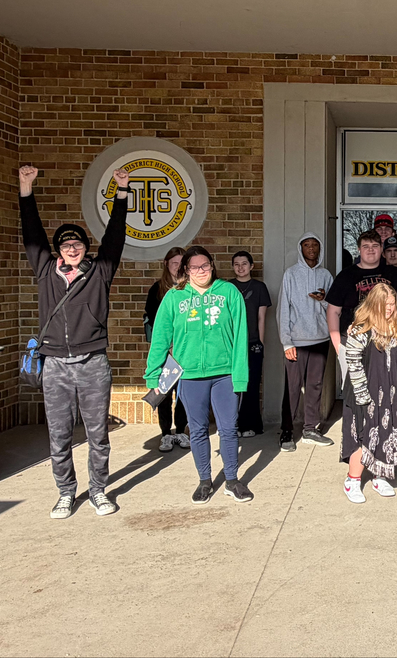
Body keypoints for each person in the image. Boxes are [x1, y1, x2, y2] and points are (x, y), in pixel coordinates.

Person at [19, 164, 129, 519]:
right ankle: (66, 493)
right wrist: (26, 189)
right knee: (59, 437)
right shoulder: (44, 270)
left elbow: (115, 236)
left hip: (93, 363)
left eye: (78, 243)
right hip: (55, 366)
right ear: (58, 249)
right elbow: (31, 233)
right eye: (66, 244)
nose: (72, 248)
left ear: (85, 247)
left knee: (97, 435)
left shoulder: (100, 271)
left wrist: (122, 193)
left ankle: (98, 490)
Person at [145, 246, 253, 505]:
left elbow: (241, 337)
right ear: (186, 270)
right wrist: (153, 377)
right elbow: (160, 338)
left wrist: (240, 376)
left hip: (224, 374)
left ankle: (232, 480)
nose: (201, 270)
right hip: (190, 375)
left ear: (212, 265)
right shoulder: (174, 297)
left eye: (205, 265)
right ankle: (205, 480)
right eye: (194, 267)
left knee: (228, 429)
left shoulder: (229, 293)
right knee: (198, 429)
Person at [342, 283, 397, 503]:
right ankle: (353, 481)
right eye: (384, 304)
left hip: (389, 392)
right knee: (361, 436)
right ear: (373, 304)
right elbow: (352, 361)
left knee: (386, 435)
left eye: (391, 304)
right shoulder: (361, 329)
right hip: (364, 393)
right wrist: (361, 394)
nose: (388, 308)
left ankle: (379, 476)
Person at [277, 233, 335, 452]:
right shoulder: (291, 275)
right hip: (296, 342)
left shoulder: (325, 275)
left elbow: (333, 308)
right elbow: (284, 309)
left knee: (315, 386)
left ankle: (310, 428)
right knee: (292, 388)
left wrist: (323, 300)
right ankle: (287, 431)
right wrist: (286, 342)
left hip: (320, 338)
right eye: (307, 245)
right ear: (300, 248)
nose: (311, 248)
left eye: (315, 245)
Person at [326, 230, 397, 383]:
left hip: (386, 342)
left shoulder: (394, 274)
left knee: (386, 388)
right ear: (359, 249)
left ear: (381, 249)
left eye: (375, 246)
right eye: (366, 246)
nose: (370, 250)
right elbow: (333, 311)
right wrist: (338, 346)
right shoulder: (346, 275)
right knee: (355, 390)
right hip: (351, 343)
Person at [144, 246, 190, 453]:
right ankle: (165, 433)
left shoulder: (191, 289)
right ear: (166, 264)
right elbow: (153, 321)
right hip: (166, 352)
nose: (178, 267)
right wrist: (166, 347)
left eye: (181, 264)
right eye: (174, 263)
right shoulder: (157, 289)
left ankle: (180, 430)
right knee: (164, 391)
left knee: (184, 393)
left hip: (185, 350)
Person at [229, 251, 272, 438]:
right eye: (236, 264)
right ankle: (234, 424)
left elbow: (262, 317)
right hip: (231, 345)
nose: (240, 267)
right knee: (232, 387)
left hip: (253, 342)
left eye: (244, 263)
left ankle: (252, 424)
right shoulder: (227, 287)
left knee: (252, 385)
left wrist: (260, 343)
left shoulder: (259, 287)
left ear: (251, 266)